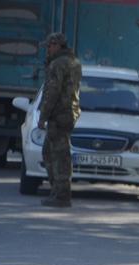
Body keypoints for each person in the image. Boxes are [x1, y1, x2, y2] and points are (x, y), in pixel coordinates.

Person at [38, 32, 81, 208]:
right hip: (69, 113)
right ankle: (57, 191)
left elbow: (52, 92)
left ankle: (61, 195)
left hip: (59, 115)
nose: (47, 50)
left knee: (58, 155)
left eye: (49, 46)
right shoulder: (74, 62)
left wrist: (43, 116)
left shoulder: (57, 64)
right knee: (51, 152)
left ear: (57, 45)